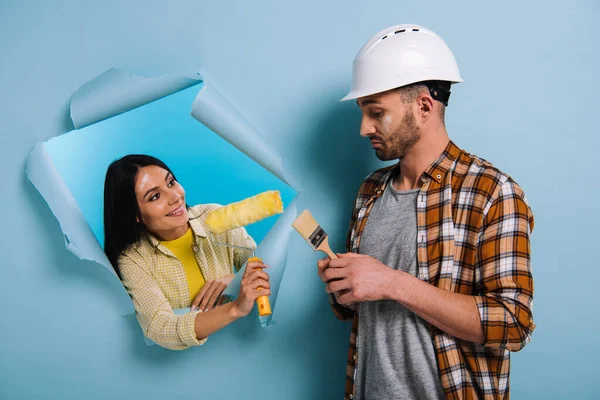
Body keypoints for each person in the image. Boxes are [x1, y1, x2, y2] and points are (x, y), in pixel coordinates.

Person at [318, 24, 535, 399]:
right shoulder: (370, 191)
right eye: (362, 112)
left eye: (377, 112)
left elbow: (513, 323)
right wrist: (343, 290)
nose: (363, 128)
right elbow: (358, 313)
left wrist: (392, 282)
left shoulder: (491, 192)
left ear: (423, 107)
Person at [104, 154, 270, 350]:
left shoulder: (213, 216)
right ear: (136, 216)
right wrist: (234, 308)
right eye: (155, 196)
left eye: (171, 182)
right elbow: (159, 327)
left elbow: (263, 268)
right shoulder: (133, 259)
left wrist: (234, 281)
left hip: (245, 346)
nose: (175, 197)